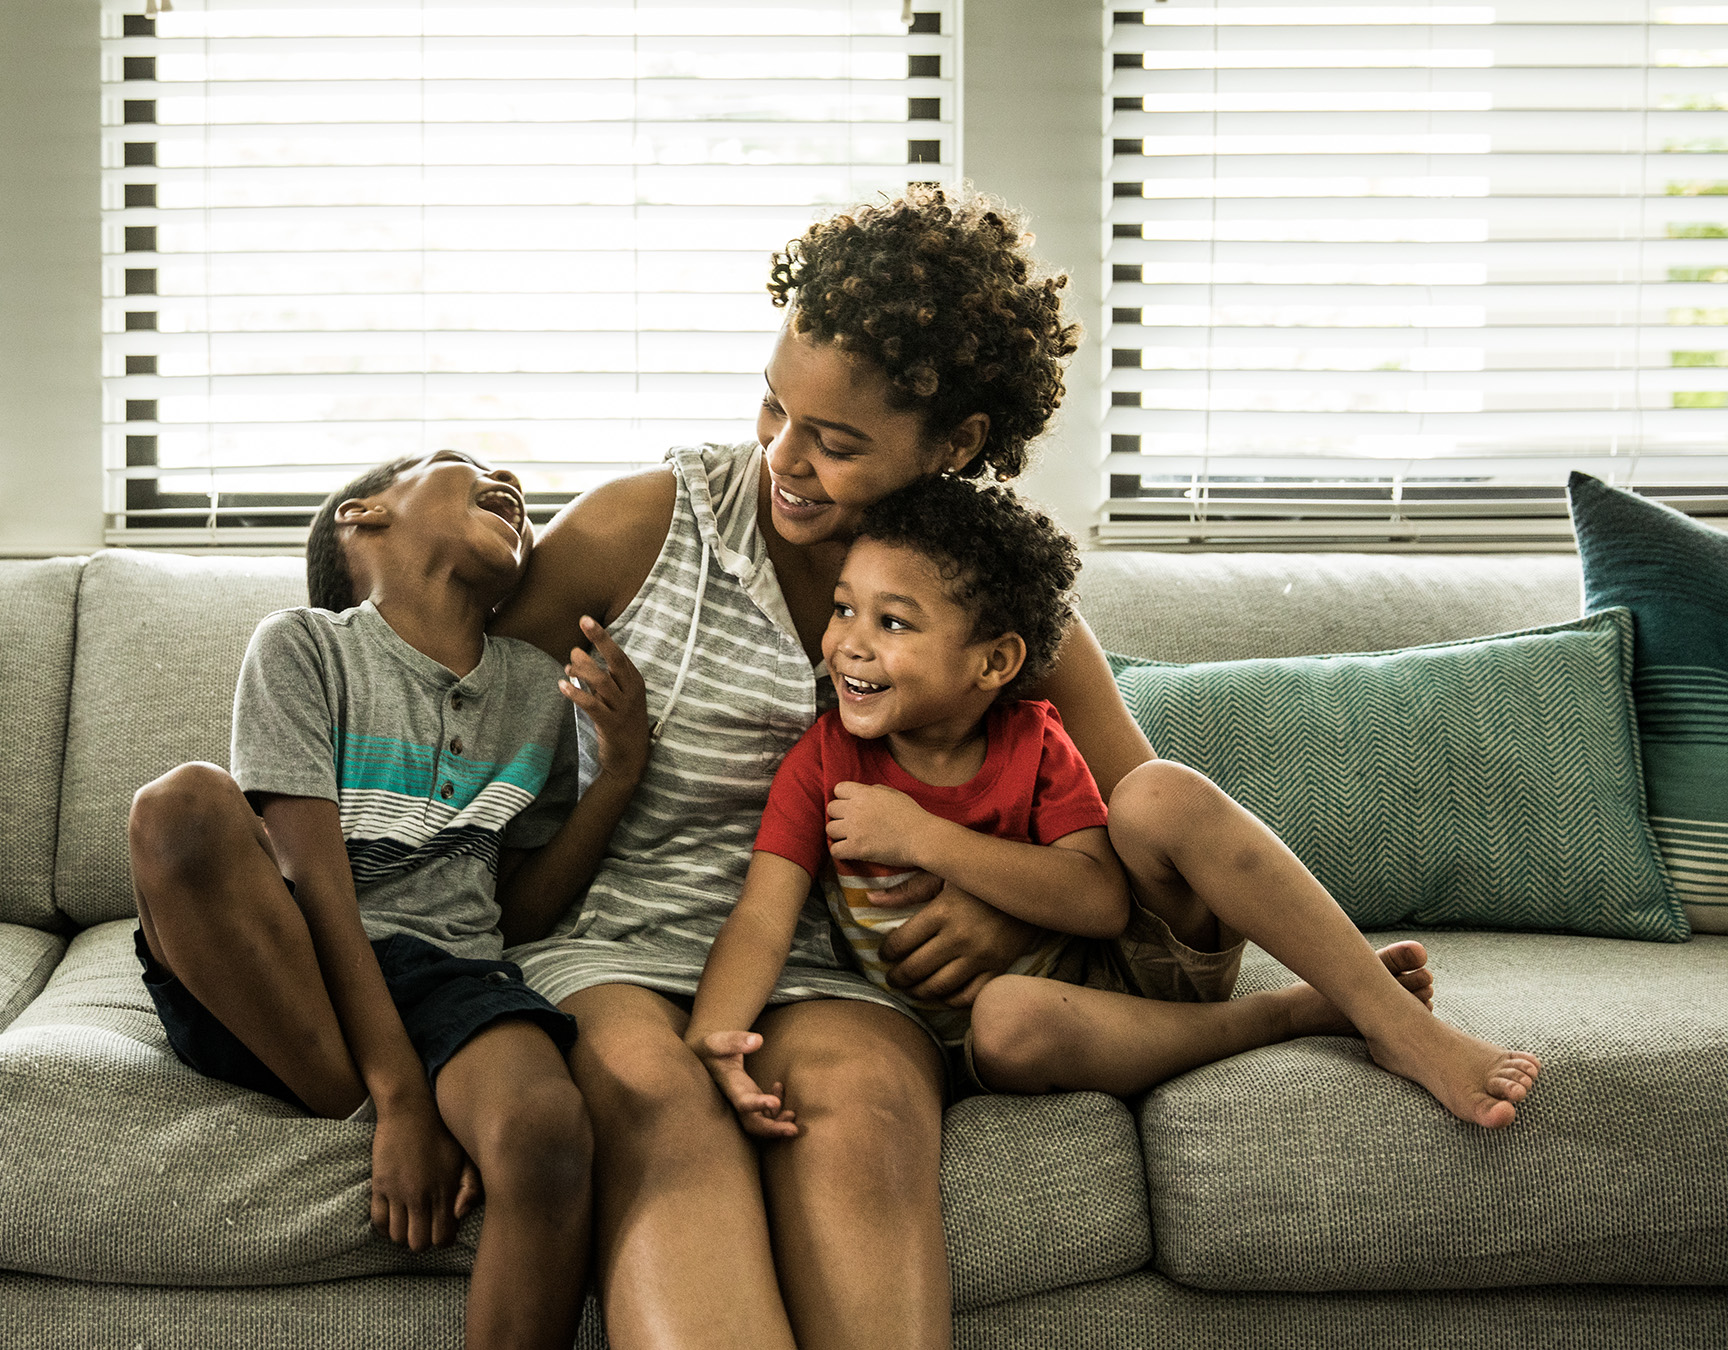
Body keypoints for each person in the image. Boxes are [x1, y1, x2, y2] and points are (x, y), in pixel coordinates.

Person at [489, 182, 1545, 1350]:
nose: (784, 458)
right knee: (658, 1108)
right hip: (625, 942)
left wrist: (997, 902)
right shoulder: (640, 528)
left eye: (837, 442)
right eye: (773, 410)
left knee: (863, 1114)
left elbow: (1140, 851)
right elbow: (447, 731)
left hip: (852, 975)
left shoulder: (993, 600)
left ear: (954, 445)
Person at [685, 474, 1467, 1149]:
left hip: (1128, 966)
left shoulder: (1032, 742)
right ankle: (1286, 1016)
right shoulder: (821, 763)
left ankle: (1396, 1025)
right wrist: (715, 1036)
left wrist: (925, 838)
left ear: (994, 661)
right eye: (843, 610)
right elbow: (762, 919)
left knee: (1160, 791)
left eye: (892, 623)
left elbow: (1097, 900)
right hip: (1031, 1029)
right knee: (1007, 1019)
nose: (848, 645)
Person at [125, 448, 651, 1350]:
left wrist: (619, 771)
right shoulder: (305, 647)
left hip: (451, 974)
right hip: (289, 960)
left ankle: (394, 1105)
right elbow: (315, 884)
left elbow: (517, 912)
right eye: (462, 465)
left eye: (521, 497)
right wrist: (403, 1098)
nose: (514, 488)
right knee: (180, 804)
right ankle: (364, 1104)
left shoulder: (536, 690)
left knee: (547, 1130)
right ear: (364, 517)